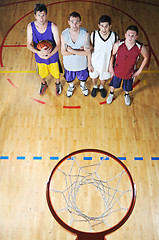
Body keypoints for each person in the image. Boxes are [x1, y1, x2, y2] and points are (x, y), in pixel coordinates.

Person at [107, 25, 148, 106]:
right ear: (125, 35)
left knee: (127, 87)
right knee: (114, 84)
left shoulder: (140, 47)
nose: (130, 37)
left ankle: (126, 95)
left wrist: (139, 70)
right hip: (117, 71)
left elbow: (146, 57)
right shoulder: (118, 44)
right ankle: (111, 93)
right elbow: (112, 55)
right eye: (129, 35)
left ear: (136, 37)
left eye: (133, 36)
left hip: (130, 73)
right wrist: (110, 66)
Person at [27, 3, 62, 95]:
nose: (41, 18)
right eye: (39, 15)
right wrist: (39, 52)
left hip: (53, 55)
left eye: (43, 15)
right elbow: (28, 45)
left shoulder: (53, 26)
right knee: (42, 74)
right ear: (35, 16)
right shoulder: (30, 27)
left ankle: (58, 83)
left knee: (56, 73)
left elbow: (58, 45)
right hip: (39, 57)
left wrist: (48, 55)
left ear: (46, 15)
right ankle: (43, 84)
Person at [61, 12, 91, 97]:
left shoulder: (86, 34)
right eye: (72, 21)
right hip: (69, 64)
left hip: (81, 64)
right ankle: (71, 86)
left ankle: (82, 85)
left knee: (83, 78)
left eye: (77, 22)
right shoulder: (63, 34)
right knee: (69, 79)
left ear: (80, 22)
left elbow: (87, 52)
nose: (74, 24)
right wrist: (79, 50)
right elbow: (63, 52)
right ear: (68, 22)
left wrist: (70, 50)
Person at [89, 15, 118, 98]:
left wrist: (111, 65)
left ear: (110, 26)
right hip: (94, 62)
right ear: (99, 26)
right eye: (102, 26)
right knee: (94, 77)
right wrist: (89, 64)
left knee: (103, 78)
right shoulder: (94, 34)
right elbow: (90, 50)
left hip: (106, 63)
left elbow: (113, 53)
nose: (104, 28)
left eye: (106, 26)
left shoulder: (114, 36)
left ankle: (101, 87)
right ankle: (95, 86)